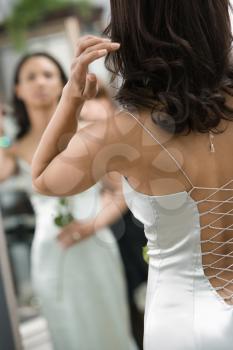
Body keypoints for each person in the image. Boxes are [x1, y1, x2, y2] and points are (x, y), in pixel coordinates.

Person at [31, 1, 233, 349]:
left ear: (132, 30)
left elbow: (44, 176)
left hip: (181, 323)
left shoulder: (119, 131)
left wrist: (71, 97)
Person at [0, 52, 138, 350]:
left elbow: (121, 192)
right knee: (68, 333)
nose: (40, 83)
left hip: (95, 245)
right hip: (51, 254)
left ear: (64, 83)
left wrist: (89, 227)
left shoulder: (89, 133)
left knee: (109, 330)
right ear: (17, 90)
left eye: (48, 75)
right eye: (30, 77)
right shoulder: (13, 149)